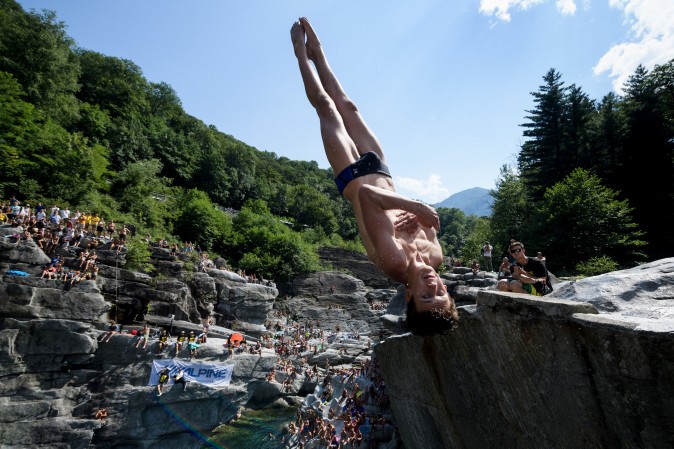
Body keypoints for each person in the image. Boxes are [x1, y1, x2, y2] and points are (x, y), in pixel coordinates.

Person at [291, 17, 457, 336]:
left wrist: (418, 211)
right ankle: (318, 52)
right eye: (441, 294)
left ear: (409, 296)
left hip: (352, 177)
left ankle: (300, 52)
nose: (434, 287)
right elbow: (422, 215)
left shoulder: (394, 263)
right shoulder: (436, 256)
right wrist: (421, 213)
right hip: (382, 171)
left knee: (326, 107)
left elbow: (370, 199)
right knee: (348, 106)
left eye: (426, 296)